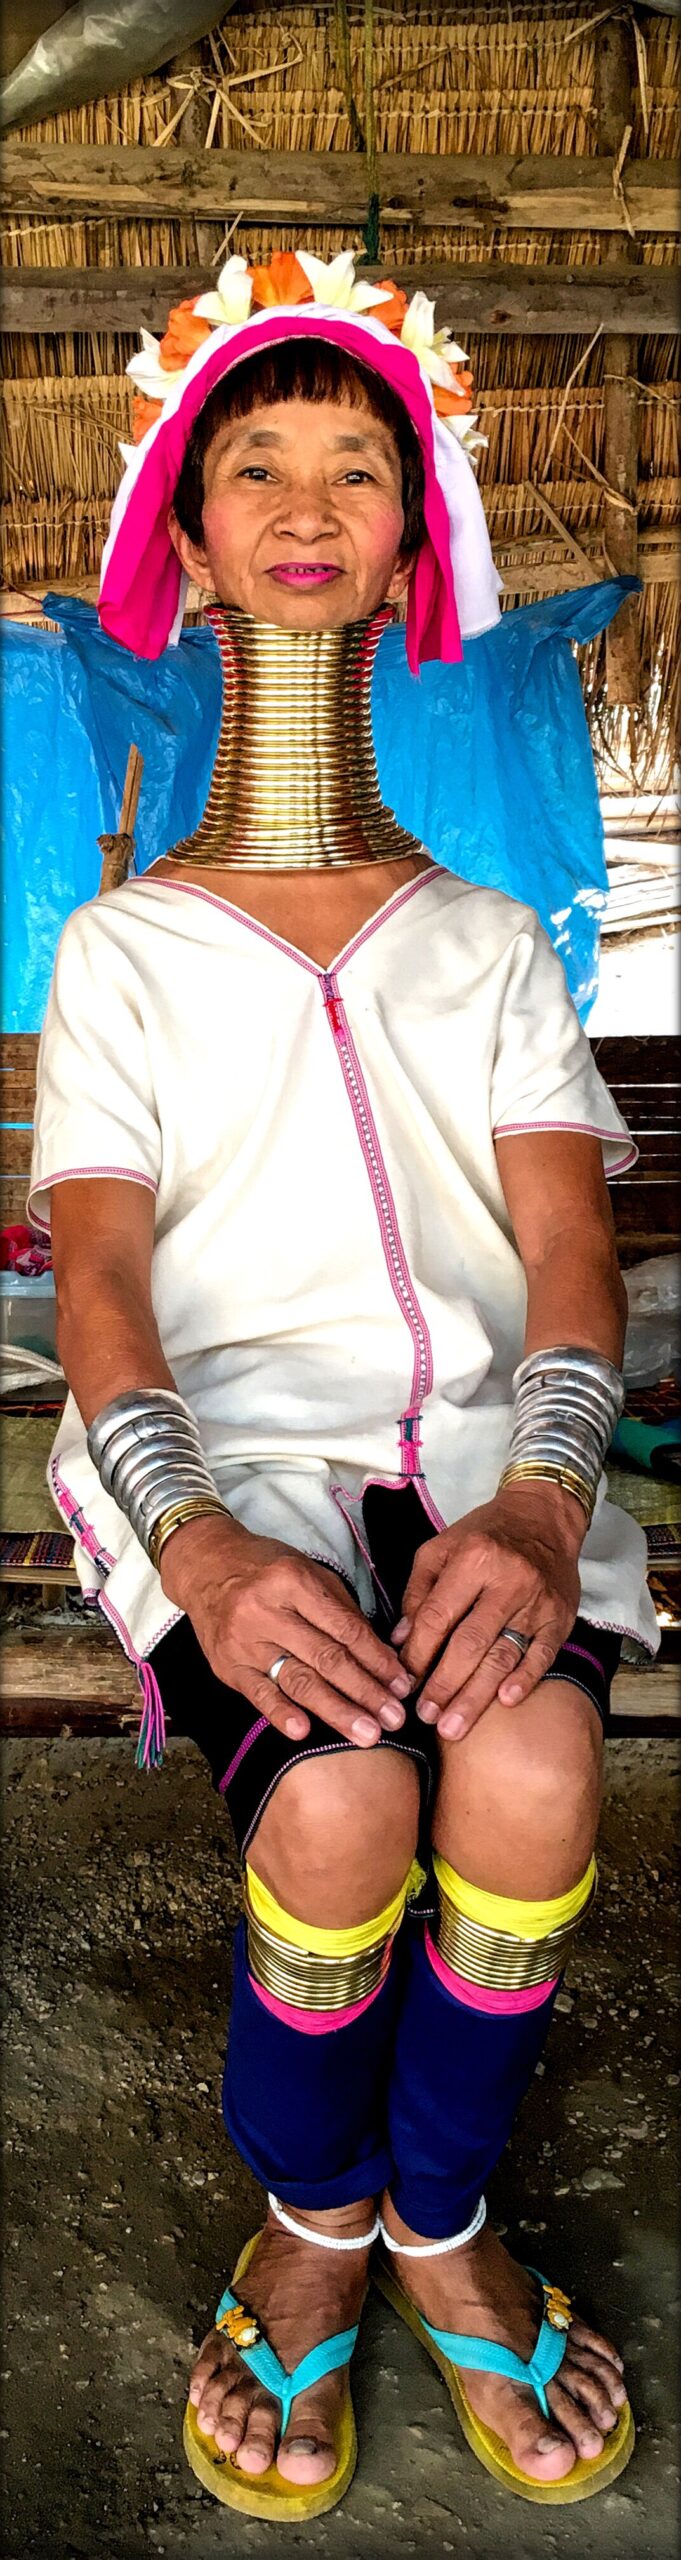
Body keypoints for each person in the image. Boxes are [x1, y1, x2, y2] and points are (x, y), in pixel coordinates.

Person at [30, 246, 657, 2522]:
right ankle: (310, 2223)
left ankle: (436, 2212)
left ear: (411, 545)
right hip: (218, 1470)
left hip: (502, 1455)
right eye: (257, 467)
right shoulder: (121, 951)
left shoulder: (484, 945)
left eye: (359, 468)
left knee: (528, 1773)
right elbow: (97, 1275)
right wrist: (189, 1538)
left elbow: (570, 1250)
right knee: (332, 1806)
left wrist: (533, 1502)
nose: (308, 502)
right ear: (183, 542)